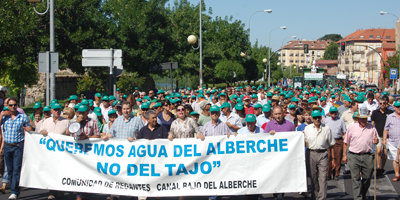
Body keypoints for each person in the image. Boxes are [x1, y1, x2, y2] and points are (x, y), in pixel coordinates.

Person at [343, 107, 378, 200]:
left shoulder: (372, 127)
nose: (364, 120)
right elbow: (346, 142)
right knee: (356, 179)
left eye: (365, 118)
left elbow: (376, 139)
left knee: (367, 178)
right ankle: (357, 198)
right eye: (362, 118)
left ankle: (363, 193)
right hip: (354, 155)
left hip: (367, 155)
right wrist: (344, 155)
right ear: (358, 118)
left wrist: (376, 140)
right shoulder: (352, 127)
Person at [0, 98, 32, 200]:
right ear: (7, 106)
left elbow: (29, 128)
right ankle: (15, 189)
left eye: (15, 105)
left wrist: (27, 128)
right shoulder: (5, 117)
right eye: (11, 105)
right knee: (9, 170)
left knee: (16, 169)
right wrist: (1, 116)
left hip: (18, 145)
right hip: (7, 145)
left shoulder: (22, 117)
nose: (13, 107)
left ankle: (14, 191)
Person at [304, 110, 335, 200]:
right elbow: (303, 142)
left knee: (323, 177)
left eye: (319, 117)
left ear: (321, 118)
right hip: (311, 153)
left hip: (323, 154)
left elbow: (331, 144)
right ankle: (315, 195)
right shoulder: (307, 129)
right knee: (313, 177)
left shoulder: (327, 128)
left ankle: (322, 197)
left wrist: (333, 159)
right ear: (312, 119)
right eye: (315, 118)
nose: (317, 119)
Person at [323, 106, 347, 180]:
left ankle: (336, 174)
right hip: (328, 141)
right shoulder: (326, 120)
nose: (334, 114)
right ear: (329, 113)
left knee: (338, 157)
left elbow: (344, 132)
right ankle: (328, 173)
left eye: (335, 113)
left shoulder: (341, 120)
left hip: (338, 140)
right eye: (332, 113)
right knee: (328, 157)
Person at [371, 95, 393, 176]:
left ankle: (382, 167)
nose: (382, 104)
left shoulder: (390, 113)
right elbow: (372, 124)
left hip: (387, 136)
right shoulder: (375, 112)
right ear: (379, 104)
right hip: (378, 135)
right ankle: (378, 167)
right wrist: (373, 134)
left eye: (384, 103)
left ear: (386, 103)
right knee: (378, 151)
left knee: (385, 153)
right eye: (381, 103)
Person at [383, 100, 400, 182]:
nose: (399, 108)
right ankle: (397, 174)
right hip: (393, 141)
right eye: (397, 107)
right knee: (395, 159)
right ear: (394, 107)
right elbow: (386, 129)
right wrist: (384, 139)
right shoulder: (390, 116)